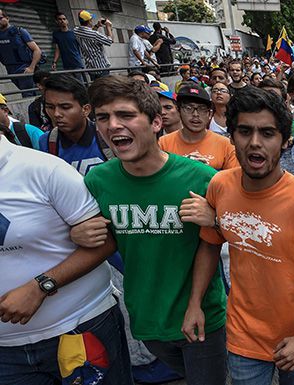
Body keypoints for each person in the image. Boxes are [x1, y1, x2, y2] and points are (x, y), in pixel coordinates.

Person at [190, 86, 294, 385]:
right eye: (244, 131)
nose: (254, 143)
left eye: (267, 133)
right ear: (231, 137)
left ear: (285, 140)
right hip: (243, 339)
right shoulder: (219, 186)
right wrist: (194, 304)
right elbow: (209, 246)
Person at [77, 75, 228, 384]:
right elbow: (99, 240)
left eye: (126, 115)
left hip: (201, 317)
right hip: (145, 318)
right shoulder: (96, 182)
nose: (113, 125)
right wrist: (77, 233)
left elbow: (235, 235)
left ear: (157, 122)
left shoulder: (202, 177)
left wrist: (215, 219)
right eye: (103, 117)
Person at [0, 133, 133, 384]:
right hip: (6, 353)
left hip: (78, 327)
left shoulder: (44, 169)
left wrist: (41, 285)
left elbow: (104, 241)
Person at [38, 74, 115, 176]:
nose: (56, 114)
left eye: (65, 107)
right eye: (50, 107)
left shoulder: (108, 136)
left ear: (86, 109)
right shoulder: (47, 142)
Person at [159, 83, 238, 170]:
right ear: (179, 111)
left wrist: (206, 172)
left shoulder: (227, 145)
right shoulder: (163, 144)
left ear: (210, 114)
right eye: (189, 108)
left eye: (202, 109)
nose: (195, 114)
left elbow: (233, 180)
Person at [0, 9, 42, 97]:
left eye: (0, 18)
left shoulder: (19, 31)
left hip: (24, 69)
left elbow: (37, 50)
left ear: (7, 18)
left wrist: (31, 68)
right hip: (10, 70)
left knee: (28, 94)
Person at [73, 10, 113, 80]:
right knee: (105, 88)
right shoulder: (94, 34)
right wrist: (108, 26)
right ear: (89, 21)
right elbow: (109, 41)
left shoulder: (76, 31)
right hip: (101, 67)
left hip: (90, 68)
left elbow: (89, 34)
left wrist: (97, 26)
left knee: (96, 88)